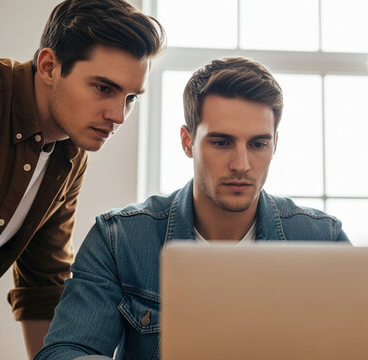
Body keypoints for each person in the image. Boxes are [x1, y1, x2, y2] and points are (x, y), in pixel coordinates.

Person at [34, 57, 349, 359]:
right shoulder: (120, 240)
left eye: (258, 144)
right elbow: (65, 351)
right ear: (187, 142)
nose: (242, 165)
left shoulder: (323, 238)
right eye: (221, 142)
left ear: (275, 144)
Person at [0, 0, 165, 357]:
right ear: (50, 66)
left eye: (130, 98)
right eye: (103, 88)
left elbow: (43, 282)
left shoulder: (69, 157)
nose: (118, 115)